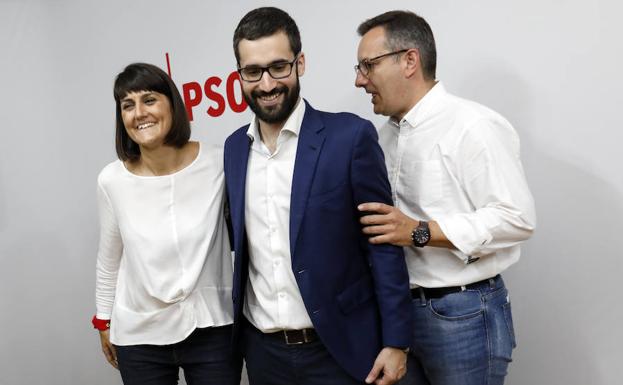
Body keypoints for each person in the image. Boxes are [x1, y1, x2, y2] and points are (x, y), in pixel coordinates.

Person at [223, 7, 412, 385]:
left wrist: (397, 341)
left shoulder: (350, 137)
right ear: (240, 75)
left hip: (340, 350)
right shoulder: (233, 150)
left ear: (300, 63)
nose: (266, 84)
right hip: (264, 354)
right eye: (252, 71)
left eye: (279, 67)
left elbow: (384, 245)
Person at [354, 11, 537, 385]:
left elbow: (517, 219)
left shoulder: (473, 126)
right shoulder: (381, 138)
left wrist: (419, 231)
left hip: (464, 316)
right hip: (400, 318)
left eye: (368, 66)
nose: (360, 80)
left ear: (409, 60)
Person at [92, 62, 241, 385]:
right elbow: (109, 259)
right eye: (127, 105)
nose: (139, 113)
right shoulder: (112, 180)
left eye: (149, 100)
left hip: (211, 327)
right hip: (139, 335)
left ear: (172, 104)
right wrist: (103, 321)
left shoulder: (219, 162)